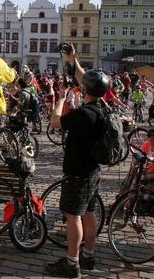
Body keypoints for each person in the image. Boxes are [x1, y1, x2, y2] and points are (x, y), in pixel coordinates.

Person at [46, 45, 109, 278]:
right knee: (89, 213)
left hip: (77, 172)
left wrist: (61, 99)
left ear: (86, 90)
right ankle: (89, 255)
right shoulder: (103, 108)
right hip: (93, 171)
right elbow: (87, 79)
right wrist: (73, 59)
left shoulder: (83, 114)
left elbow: (54, 122)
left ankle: (72, 263)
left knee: (73, 216)